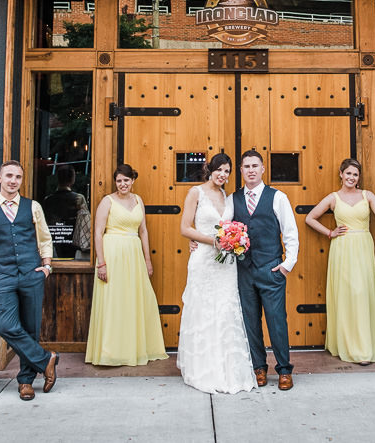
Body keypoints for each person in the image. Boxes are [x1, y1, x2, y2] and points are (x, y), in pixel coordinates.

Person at [306, 158, 375, 365]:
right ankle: (347, 345)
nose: (351, 178)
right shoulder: (333, 198)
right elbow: (310, 218)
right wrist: (330, 232)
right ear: (341, 174)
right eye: (348, 173)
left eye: (355, 174)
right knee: (347, 295)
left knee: (362, 294)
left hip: (363, 247)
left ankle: (365, 347)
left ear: (359, 177)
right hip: (342, 248)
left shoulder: (367, 196)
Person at [0, 160, 58, 401]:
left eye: (18, 177)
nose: (13, 180)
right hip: (2, 276)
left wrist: (46, 267)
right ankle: (46, 359)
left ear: (22, 180)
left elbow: (45, 238)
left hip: (31, 275)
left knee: (31, 328)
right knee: (5, 326)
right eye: (9, 176)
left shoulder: (32, 207)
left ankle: (25, 382)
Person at [176, 153, 256, 393]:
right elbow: (184, 228)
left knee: (225, 310)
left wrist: (235, 240)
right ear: (209, 169)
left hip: (226, 264)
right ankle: (202, 368)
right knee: (204, 310)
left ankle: (228, 368)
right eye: (219, 170)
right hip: (204, 261)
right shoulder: (196, 193)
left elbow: (230, 226)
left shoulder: (226, 196)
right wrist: (212, 241)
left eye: (227, 171)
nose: (223, 175)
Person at [85, 164, 166, 366]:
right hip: (113, 253)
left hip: (134, 254)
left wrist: (147, 259)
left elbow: (143, 231)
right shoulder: (107, 201)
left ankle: (134, 348)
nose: (123, 184)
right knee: (114, 300)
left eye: (126, 180)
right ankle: (110, 352)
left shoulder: (139, 200)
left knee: (135, 299)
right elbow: (97, 233)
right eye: (119, 180)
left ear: (133, 181)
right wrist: (101, 263)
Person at [234, 150, 299, 391]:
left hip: (271, 269)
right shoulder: (234, 199)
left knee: (276, 322)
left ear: (262, 169)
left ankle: (284, 369)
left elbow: (290, 232)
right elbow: (222, 228)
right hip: (244, 271)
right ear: (241, 170)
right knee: (251, 322)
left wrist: (286, 265)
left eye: (255, 166)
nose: (250, 170)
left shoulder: (277, 197)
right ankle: (258, 368)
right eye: (246, 166)